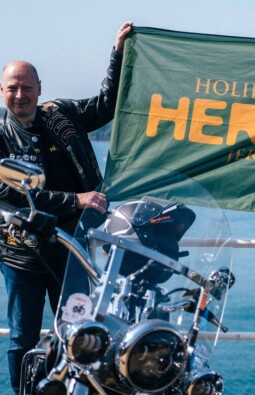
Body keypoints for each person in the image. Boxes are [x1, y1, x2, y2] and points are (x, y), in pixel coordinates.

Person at [0, 21, 133, 394]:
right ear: (2, 91)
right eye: (13, 88)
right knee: (22, 337)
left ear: (40, 89)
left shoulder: (61, 116)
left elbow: (107, 105)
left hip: (72, 247)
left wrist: (119, 53)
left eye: (27, 87)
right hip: (21, 254)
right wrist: (74, 200)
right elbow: (8, 192)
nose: (21, 94)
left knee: (77, 331)